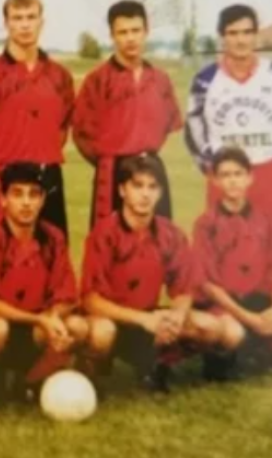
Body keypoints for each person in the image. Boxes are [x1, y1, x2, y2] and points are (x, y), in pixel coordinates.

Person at [0, 163, 114, 397]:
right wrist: (38, 318)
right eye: (17, 194)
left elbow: (67, 296)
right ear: (2, 200)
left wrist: (52, 319)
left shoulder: (53, 238)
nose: (26, 202)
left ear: (42, 200)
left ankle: (32, 384)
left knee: (76, 327)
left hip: (35, 330)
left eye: (34, 194)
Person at [82, 155, 228, 393]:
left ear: (160, 193)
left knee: (211, 327)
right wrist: (143, 320)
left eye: (153, 187)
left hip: (148, 317)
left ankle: (158, 363)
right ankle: (92, 370)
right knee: (102, 333)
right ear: (121, 190)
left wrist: (177, 316)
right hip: (114, 320)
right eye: (137, 186)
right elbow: (91, 300)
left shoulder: (170, 233)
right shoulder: (104, 233)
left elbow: (183, 287)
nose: (145, 194)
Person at [0, 0, 74, 234]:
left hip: (49, 180)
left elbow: (62, 127)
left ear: (41, 22)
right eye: (17, 18)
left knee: (51, 257)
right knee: (4, 261)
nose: (25, 25)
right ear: (6, 23)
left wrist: (41, 154)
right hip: (7, 182)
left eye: (30, 17)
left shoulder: (60, 76)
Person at [73, 0, 182, 228]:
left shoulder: (160, 80)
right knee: (111, 249)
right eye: (122, 32)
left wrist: (145, 156)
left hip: (152, 171)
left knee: (157, 247)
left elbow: (167, 126)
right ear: (112, 35)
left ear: (146, 31)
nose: (130, 38)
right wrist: (111, 161)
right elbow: (82, 134)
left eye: (136, 30)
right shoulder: (97, 80)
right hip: (113, 172)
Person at [185, 4, 272, 243]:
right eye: (233, 33)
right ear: (222, 37)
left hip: (265, 171)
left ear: (256, 34)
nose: (241, 40)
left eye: (247, 32)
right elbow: (194, 126)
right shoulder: (205, 80)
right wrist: (211, 164)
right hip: (224, 176)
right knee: (223, 249)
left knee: (270, 249)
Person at [193, 147, 272, 378]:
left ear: (249, 178)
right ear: (214, 180)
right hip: (226, 305)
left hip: (259, 300)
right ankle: (225, 354)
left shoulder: (266, 222)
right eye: (225, 175)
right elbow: (207, 285)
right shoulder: (206, 224)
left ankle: (259, 348)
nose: (233, 181)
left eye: (238, 174)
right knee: (233, 333)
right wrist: (250, 319)